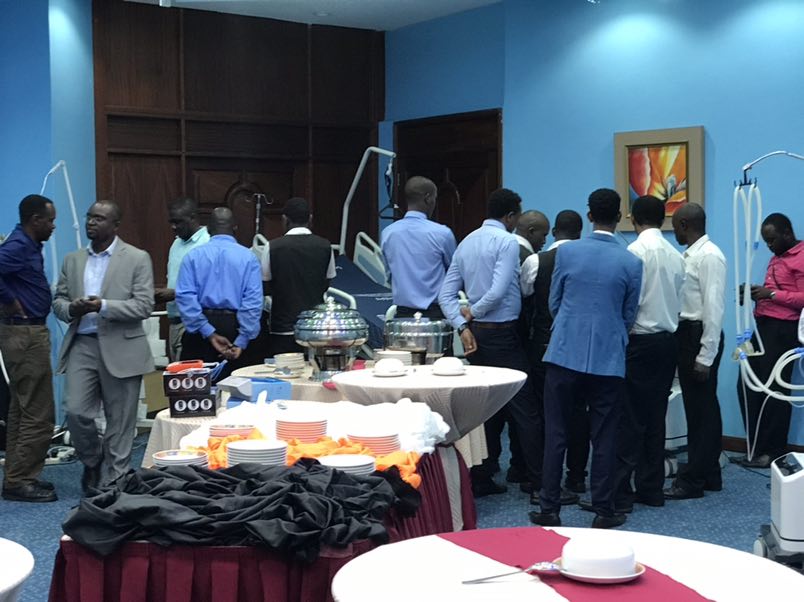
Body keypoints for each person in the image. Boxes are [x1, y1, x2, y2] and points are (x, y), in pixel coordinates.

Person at [530, 188, 642, 529]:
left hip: (564, 351)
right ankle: (604, 510)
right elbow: (629, 314)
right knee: (605, 436)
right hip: (608, 358)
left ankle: (549, 507)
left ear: (589, 215)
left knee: (556, 432)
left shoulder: (567, 253)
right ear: (619, 216)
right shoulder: (632, 261)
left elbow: (554, 302)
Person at [439, 188, 542, 498]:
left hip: (477, 336)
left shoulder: (466, 241)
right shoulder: (507, 242)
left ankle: (482, 477)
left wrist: (462, 326)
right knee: (525, 408)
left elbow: (445, 295)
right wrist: (471, 313)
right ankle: (538, 483)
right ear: (510, 216)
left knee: (484, 409)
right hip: (503, 333)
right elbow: (497, 291)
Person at [53, 200, 155, 493]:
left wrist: (104, 306)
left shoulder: (137, 258)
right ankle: (92, 460)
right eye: (89, 217)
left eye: (99, 218)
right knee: (76, 412)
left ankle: (114, 480)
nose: (91, 222)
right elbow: (58, 301)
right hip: (82, 344)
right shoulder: (73, 260)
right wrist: (72, 308)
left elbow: (144, 305)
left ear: (115, 225)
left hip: (123, 346)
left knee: (120, 421)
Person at [605, 196, 685, 513]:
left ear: (634, 219)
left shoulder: (634, 253)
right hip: (667, 341)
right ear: (663, 220)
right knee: (655, 418)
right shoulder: (676, 255)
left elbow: (629, 302)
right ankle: (652, 489)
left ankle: (621, 493)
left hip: (638, 342)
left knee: (629, 419)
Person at [521, 209, 588, 496]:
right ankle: (577, 476)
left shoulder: (537, 261)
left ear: (554, 232)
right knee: (579, 411)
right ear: (579, 233)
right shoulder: (588, 260)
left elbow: (525, 295)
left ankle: (544, 479)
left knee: (543, 412)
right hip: (580, 345)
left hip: (544, 343)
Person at [664, 202, 726, 499]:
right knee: (701, 409)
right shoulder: (691, 255)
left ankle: (693, 481)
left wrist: (705, 356)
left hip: (699, 336)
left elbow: (714, 308)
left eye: (675, 226)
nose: (673, 231)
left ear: (685, 224)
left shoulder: (709, 256)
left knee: (701, 412)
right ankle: (710, 474)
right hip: (688, 334)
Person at [0, 195, 58, 503]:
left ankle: (16, 475)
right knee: (38, 413)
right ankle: (21, 481)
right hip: (26, 335)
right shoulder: (19, 246)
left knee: (21, 410)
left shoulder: (26, 244)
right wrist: (9, 300)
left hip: (22, 333)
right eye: (50, 220)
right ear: (35, 220)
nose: (53, 226)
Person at [737, 213, 804, 468]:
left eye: (772, 240)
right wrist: (754, 293)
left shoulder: (801, 256)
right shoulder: (777, 256)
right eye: (766, 241)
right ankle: (755, 447)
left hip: (783, 329)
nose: (769, 246)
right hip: (762, 326)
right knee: (746, 384)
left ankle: (773, 451)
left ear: (787, 233)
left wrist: (771, 294)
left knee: (774, 391)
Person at [176, 207, 262, 374]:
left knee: (199, 387)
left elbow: (185, 298)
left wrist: (209, 332)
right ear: (235, 227)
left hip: (200, 331)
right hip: (236, 326)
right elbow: (253, 301)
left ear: (208, 229)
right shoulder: (249, 258)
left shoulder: (192, 257)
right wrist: (242, 340)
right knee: (240, 385)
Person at [507, 210, 550, 492]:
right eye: (543, 234)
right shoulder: (525, 257)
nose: (545, 241)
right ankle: (525, 468)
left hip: (503, 336)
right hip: (522, 338)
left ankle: (515, 466)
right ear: (531, 231)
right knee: (528, 408)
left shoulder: (506, 248)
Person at [261, 197, 336, 356]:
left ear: (284, 219)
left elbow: (265, 286)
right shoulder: (325, 246)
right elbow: (326, 282)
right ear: (310, 219)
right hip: (315, 327)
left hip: (283, 326)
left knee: (283, 368)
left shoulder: (272, 247)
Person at [381, 176, 456, 319]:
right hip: (435, 315)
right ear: (428, 198)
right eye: (434, 198)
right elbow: (454, 273)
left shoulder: (388, 233)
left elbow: (389, 274)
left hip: (402, 316)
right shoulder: (442, 234)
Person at [154, 197, 210, 361]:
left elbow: (210, 287)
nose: (173, 227)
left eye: (178, 222)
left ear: (193, 217)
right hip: (174, 321)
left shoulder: (207, 243)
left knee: (187, 373)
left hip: (195, 323)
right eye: (171, 222)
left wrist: (174, 294)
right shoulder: (176, 243)